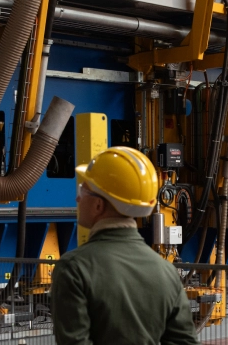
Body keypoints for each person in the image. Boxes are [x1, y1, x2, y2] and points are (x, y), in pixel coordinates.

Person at [51, 146, 200, 345]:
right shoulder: (166, 271)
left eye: (83, 190)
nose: (78, 198)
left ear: (98, 205)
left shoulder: (74, 268)